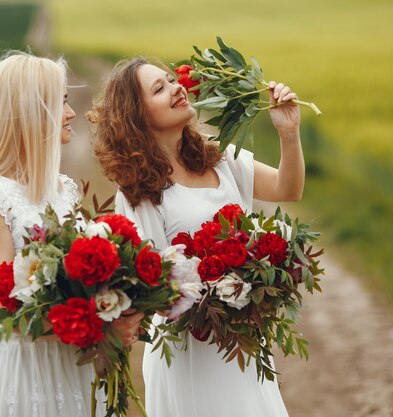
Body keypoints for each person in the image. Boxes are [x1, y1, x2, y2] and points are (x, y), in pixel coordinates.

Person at [88, 57, 303, 417]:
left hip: (242, 342)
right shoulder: (137, 192)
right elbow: (153, 288)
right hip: (191, 349)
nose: (177, 88)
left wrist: (289, 133)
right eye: (160, 88)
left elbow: (288, 188)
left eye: (171, 80)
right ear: (136, 116)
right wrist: (220, 286)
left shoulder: (220, 157)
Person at [0, 51, 143, 417]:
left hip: (75, 368)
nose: (71, 114)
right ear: (29, 112)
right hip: (25, 373)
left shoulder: (63, 190)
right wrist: (103, 327)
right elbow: (11, 313)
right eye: (61, 103)